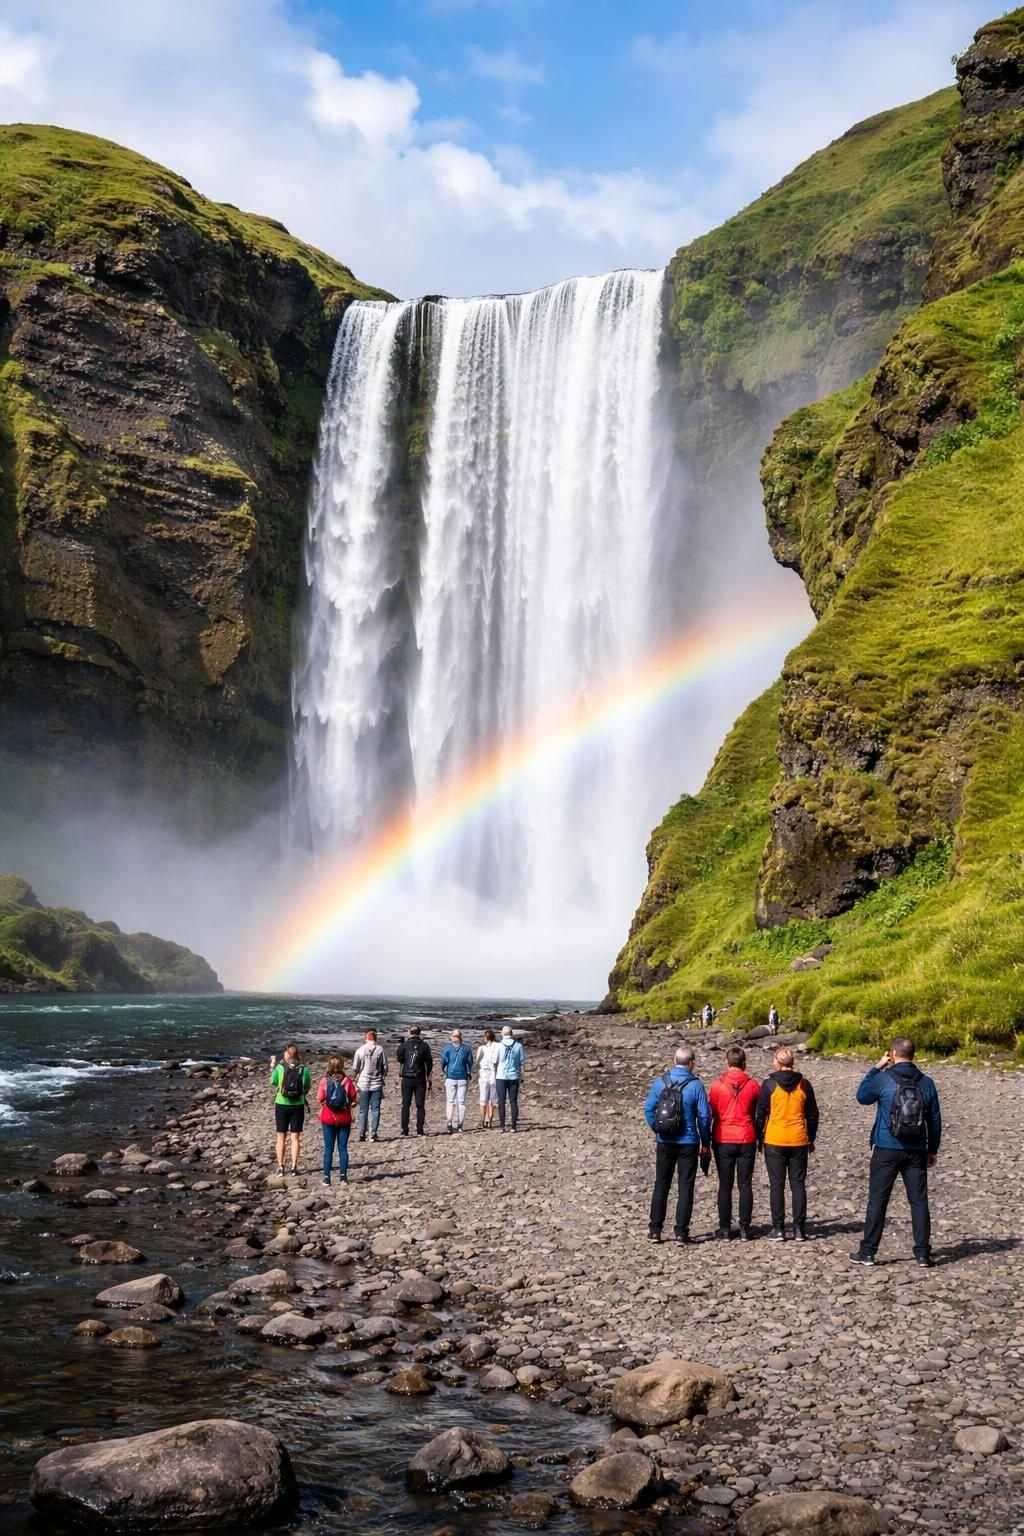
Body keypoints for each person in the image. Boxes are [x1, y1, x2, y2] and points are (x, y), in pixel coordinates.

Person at [851, 1037, 942, 1268]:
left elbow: (862, 1097)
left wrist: (876, 1067)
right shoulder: (926, 1082)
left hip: (886, 1147)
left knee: (877, 1200)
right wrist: (932, 1149)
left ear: (893, 1054)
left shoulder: (884, 1078)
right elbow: (934, 1119)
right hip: (916, 1149)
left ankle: (868, 1252)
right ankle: (923, 1254)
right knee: (919, 1201)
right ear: (913, 1054)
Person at [643, 1046, 712, 1243]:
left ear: (674, 1060)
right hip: (688, 1142)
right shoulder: (696, 1085)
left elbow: (648, 1109)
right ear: (692, 1063)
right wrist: (705, 1142)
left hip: (664, 1141)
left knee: (661, 1184)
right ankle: (681, 1231)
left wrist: (658, 1129)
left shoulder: (661, 1082)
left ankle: (655, 1229)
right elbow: (704, 1116)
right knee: (685, 1186)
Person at [754, 1046, 818, 1241]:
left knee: (777, 1185)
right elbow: (813, 1115)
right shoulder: (804, 1085)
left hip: (775, 1139)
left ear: (777, 1062)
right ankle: (799, 1229)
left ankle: (779, 1228)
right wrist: (811, 1138)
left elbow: (760, 1114)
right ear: (793, 1062)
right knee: (798, 1184)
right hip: (798, 1139)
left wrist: (759, 1137)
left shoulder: (769, 1085)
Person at [708, 1045, 760, 1239]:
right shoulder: (753, 1085)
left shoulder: (717, 1085)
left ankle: (725, 1228)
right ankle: (745, 1227)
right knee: (745, 1184)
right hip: (746, 1136)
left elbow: (712, 1112)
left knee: (725, 1184)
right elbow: (758, 1111)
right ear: (744, 1064)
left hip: (723, 1137)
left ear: (727, 1063)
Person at [269, 1042, 311, 1176]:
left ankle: (281, 1167)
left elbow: (272, 1081)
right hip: (297, 1105)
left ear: (286, 1054)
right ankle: (294, 1167)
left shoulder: (280, 1067)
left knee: (280, 1136)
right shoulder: (303, 1069)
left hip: (281, 1103)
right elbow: (307, 1085)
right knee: (295, 1137)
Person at [317, 1054, 357, 1185]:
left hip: (328, 1117)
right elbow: (353, 1098)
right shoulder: (347, 1081)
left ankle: (326, 1177)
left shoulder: (324, 1081)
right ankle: (343, 1177)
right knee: (343, 1148)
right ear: (342, 1066)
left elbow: (319, 1098)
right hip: (344, 1118)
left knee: (328, 1148)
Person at [351, 1028, 388, 1142]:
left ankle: (362, 1133)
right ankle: (373, 1133)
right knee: (375, 1109)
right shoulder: (380, 1049)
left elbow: (355, 1068)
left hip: (363, 1083)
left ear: (365, 1038)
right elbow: (385, 1066)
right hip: (376, 1082)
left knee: (363, 1109)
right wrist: (382, 1076)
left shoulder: (360, 1050)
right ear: (376, 1039)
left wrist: (354, 1078)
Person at [397, 1024, 433, 1137]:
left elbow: (399, 1057)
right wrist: (429, 1075)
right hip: (419, 1077)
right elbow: (429, 1062)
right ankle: (420, 1129)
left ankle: (404, 1129)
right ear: (419, 1033)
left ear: (410, 1032)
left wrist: (404, 1060)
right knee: (420, 1104)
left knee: (406, 1104)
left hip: (407, 1077)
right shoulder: (424, 1046)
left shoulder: (404, 1045)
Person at [440, 1028, 474, 1133]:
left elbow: (443, 1061)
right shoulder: (466, 1048)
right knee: (461, 1102)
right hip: (462, 1077)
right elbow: (470, 1062)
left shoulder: (448, 1048)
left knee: (450, 1101)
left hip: (451, 1077)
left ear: (452, 1037)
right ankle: (460, 1125)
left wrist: (443, 1069)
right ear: (461, 1037)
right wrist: (468, 1072)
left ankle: (449, 1122)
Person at [495, 1025, 526, 1132]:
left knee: (501, 1101)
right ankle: (513, 1126)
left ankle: (502, 1126)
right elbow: (522, 1062)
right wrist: (522, 1075)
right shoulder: (518, 1046)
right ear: (512, 1034)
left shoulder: (498, 1046)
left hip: (501, 1076)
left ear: (502, 1034)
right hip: (514, 1076)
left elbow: (494, 1061)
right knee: (513, 1101)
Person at [476, 1028, 501, 1129]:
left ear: (485, 1038)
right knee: (492, 1099)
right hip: (494, 1073)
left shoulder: (482, 1048)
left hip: (484, 1073)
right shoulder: (498, 1046)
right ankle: (489, 1120)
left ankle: (482, 1121)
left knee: (483, 1099)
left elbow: (477, 1060)